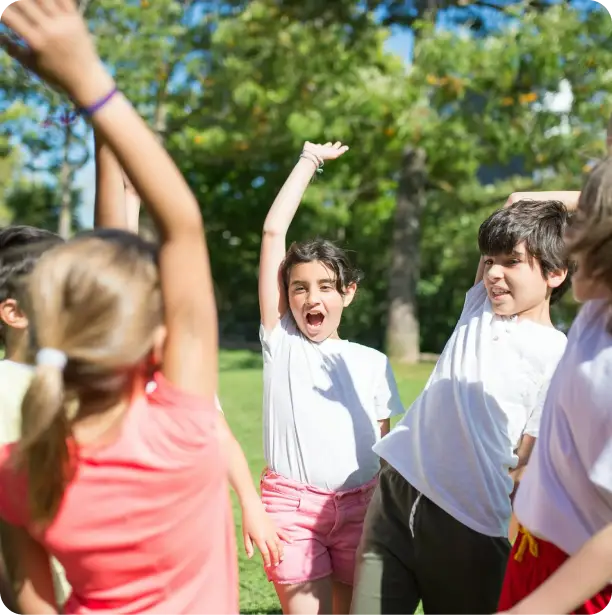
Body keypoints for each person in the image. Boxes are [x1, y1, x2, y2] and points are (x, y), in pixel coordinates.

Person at [0, 2, 237, 615]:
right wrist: (86, 77)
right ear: (154, 335)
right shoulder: (182, 433)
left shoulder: (18, 471)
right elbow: (182, 223)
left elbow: (33, 602)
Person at [350, 192, 579, 615]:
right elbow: (517, 199)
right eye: (489, 260)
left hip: (469, 520)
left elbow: (526, 456)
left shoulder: (559, 352)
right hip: (396, 497)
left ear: (555, 273)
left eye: (511, 261)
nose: (493, 273)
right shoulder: (479, 307)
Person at [94, 129, 288, 568]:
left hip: (185, 531)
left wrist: (250, 504)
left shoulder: (176, 379)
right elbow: (114, 246)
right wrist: (109, 147)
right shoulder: (110, 377)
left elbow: (218, 432)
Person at [258, 141, 404, 615]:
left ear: (349, 292)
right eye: (298, 287)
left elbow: (383, 450)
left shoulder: (373, 361)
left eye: (325, 286)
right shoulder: (281, 342)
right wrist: (309, 160)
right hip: (292, 510)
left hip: (360, 508)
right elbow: (272, 231)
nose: (310, 297)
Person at [495, 164, 612, 615]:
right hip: (531, 551)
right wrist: (525, 196)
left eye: (583, 227)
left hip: (579, 580)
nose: (569, 235)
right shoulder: (597, 309)